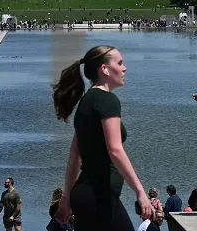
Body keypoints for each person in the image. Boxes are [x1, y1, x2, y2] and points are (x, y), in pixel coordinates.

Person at [51, 45, 154, 231]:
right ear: (104, 69)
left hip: (84, 195)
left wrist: (67, 198)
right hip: (99, 196)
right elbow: (114, 149)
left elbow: (74, 155)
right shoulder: (108, 101)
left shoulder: (86, 101)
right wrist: (140, 192)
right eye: (120, 63)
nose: (125, 68)